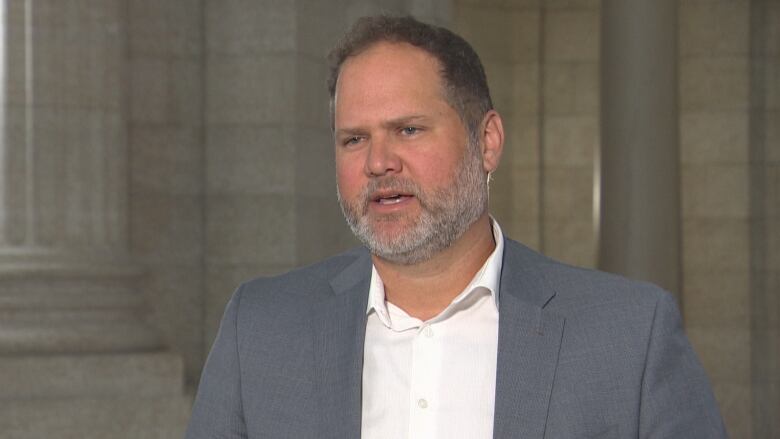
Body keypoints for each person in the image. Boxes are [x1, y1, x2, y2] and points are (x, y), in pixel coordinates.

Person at [186, 15, 727, 439]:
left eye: (409, 129)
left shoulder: (630, 336)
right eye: (354, 138)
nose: (378, 163)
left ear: (487, 141)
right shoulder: (258, 331)